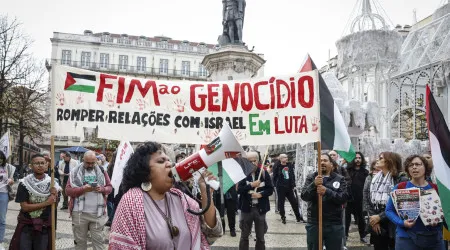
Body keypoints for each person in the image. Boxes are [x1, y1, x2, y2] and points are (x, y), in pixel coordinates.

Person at [109, 141, 222, 249]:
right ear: (145, 172)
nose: (170, 164)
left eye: (169, 161)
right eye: (161, 161)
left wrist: (205, 192)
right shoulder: (131, 202)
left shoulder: (182, 199)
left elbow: (211, 234)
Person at [386, 154, 445, 250]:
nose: (414, 167)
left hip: (434, 239)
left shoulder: (435, 188)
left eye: (418, 164)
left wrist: (439, 220)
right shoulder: (401, 187)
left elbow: (446, 211)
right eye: (411, 165)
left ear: (425, 167)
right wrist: (402, 223)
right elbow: (389, 210)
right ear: (407, 169)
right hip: (406, 238)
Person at [9, 154, 60, 250]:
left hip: (44, 225)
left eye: (42, 163)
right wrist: (46, 203)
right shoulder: (24, 183)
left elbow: (54, 206)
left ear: (46, 165)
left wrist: (55, 195)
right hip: (27, 224)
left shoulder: (53, 183)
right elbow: (24, 207)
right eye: (37, 163)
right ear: (31, 166)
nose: (40, 165)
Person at [65, 151, 112, 250]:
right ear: (83, 160)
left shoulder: (102, 171)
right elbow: (68, 191)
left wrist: (102, 189)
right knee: (80, 243)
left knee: (99, 243)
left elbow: (110, 188)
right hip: (79, 214)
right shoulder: (74, 172)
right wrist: (83, 189)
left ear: (96, 160)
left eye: (93, 162)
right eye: (88, 163)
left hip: (97, 214)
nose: (90, 165)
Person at [301, 153, 348, 250]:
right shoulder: (311, 177)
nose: (322, 162)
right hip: (315, 223)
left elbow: (343, 198)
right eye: (320, 161)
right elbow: (304, 196)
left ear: (331, 164)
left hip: (334, 223)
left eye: (325, 160)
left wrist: (327, 191)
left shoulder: (340, 179)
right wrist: (314, 184)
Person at [363, 152, 408, 250]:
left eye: (381, 158)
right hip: (376, 222)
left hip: (393, 222)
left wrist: (380, 217)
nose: (377, 160)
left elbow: (400, 204)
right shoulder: (373, 178)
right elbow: (367, 199)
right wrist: (374, 220)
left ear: (389, 161)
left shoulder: (401, 179)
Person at [238, 152, 273, 250]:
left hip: (260, 209)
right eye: (250, 161)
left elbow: (270, 189)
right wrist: (251, 185)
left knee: (260, 237)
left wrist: (260, 194)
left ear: (258, 161)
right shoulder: (243, 174)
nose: (253, 163)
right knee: (244, 236)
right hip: (246, 209)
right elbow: (239, 190)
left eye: (255, 161)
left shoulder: (264, 173)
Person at [345, 152, 369, 243]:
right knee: (346, 218)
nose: (357, 160)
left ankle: (362, 236)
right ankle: (345, 235)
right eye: (355, 158)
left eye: (359, 158)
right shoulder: (347, 171)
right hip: (349, 199)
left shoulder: (365, 172)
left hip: (360, 199)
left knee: (361, 219)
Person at [273, 153, 301, 224]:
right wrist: (275, 186)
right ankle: (283, 217)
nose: (286, 158)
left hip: (289, 187)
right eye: (285, 157)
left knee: (294, 202)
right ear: (281, 159)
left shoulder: (289, 165)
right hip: (281, 187)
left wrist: (293, 185)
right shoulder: (277, 166)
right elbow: (274, 176)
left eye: (286, 157)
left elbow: (292, 175)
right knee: (281, 203)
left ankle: (298, 217)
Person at [0, 151, 15, 250]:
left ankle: (0, 241)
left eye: (1, 159)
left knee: (2, 219)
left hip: (3, 194)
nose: (0, 160)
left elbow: (12, 180)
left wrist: (11, 181)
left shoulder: (7, 168)